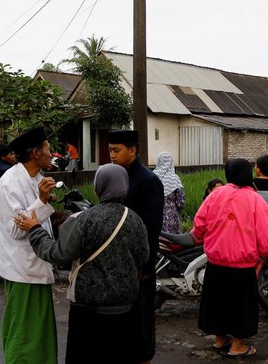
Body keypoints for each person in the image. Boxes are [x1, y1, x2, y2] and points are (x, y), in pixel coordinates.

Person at [18, 163, 150, 364]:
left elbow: (59, 254)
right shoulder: (136, 220)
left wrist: (36, 229)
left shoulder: (84, 220)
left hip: (89, 312)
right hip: (125, 310)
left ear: (98, 189)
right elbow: (144, 256)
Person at [192, 158, 268, 357]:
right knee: (240, 306)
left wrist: (199, 237)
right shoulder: (255, 200)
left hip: (216, 263)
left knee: (218, 301)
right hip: (242, 265)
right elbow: (264, 234)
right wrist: (264, 253)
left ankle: (220, 341)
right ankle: (237, 346)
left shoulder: (215, 195)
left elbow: (199, 224)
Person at [0, 127, 58, 364]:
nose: (52, 153)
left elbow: (38, 216)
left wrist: (49, 205)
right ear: (35, 153)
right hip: (22, 270)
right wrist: (40, 201)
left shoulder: (36, 178)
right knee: (23, 336)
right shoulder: (9, 183)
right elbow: (13, 230)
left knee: (39, 335)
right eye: (48, 149)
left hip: (37, 266)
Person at [108, 129, 164, 364]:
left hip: (139, 262)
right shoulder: (114, 176)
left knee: (141, 314)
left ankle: (144, 358)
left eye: (116, 150)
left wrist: (144, 264)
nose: (111, 155)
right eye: (110, 150)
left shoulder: (148, 181)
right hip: (117, 261)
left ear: (132, 150)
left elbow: (151, 228)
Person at [153, 152, 186, 234]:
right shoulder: (175, 179)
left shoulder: (153, 177)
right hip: (172, 216)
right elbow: (181, 201)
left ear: (159, 161)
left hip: (155, 215)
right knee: (172, 241)